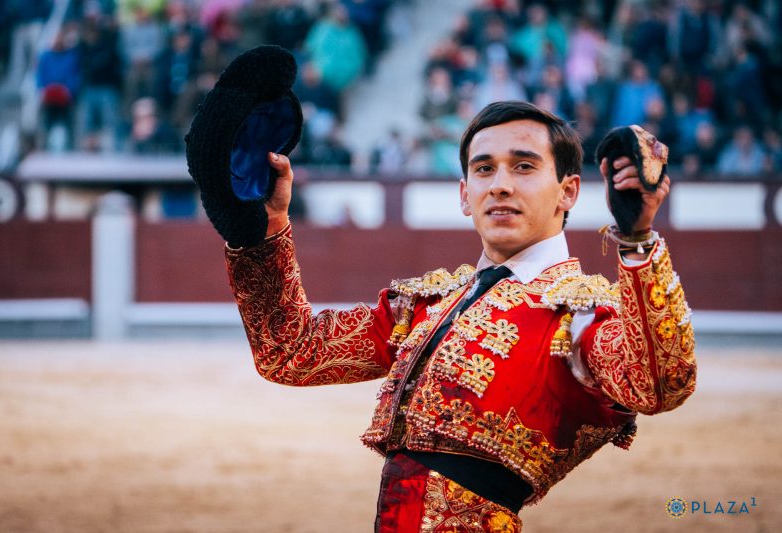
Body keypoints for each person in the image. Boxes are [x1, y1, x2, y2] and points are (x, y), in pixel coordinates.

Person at [224, 101, 696, 531]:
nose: (501, 184)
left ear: (568, 191)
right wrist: (265, 230)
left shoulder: (581, 314)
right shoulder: (427, 304)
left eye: (525, 166)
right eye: (484, 169)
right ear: (465, 194)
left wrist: (637, 243)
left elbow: (658, 383)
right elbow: (292, 353)